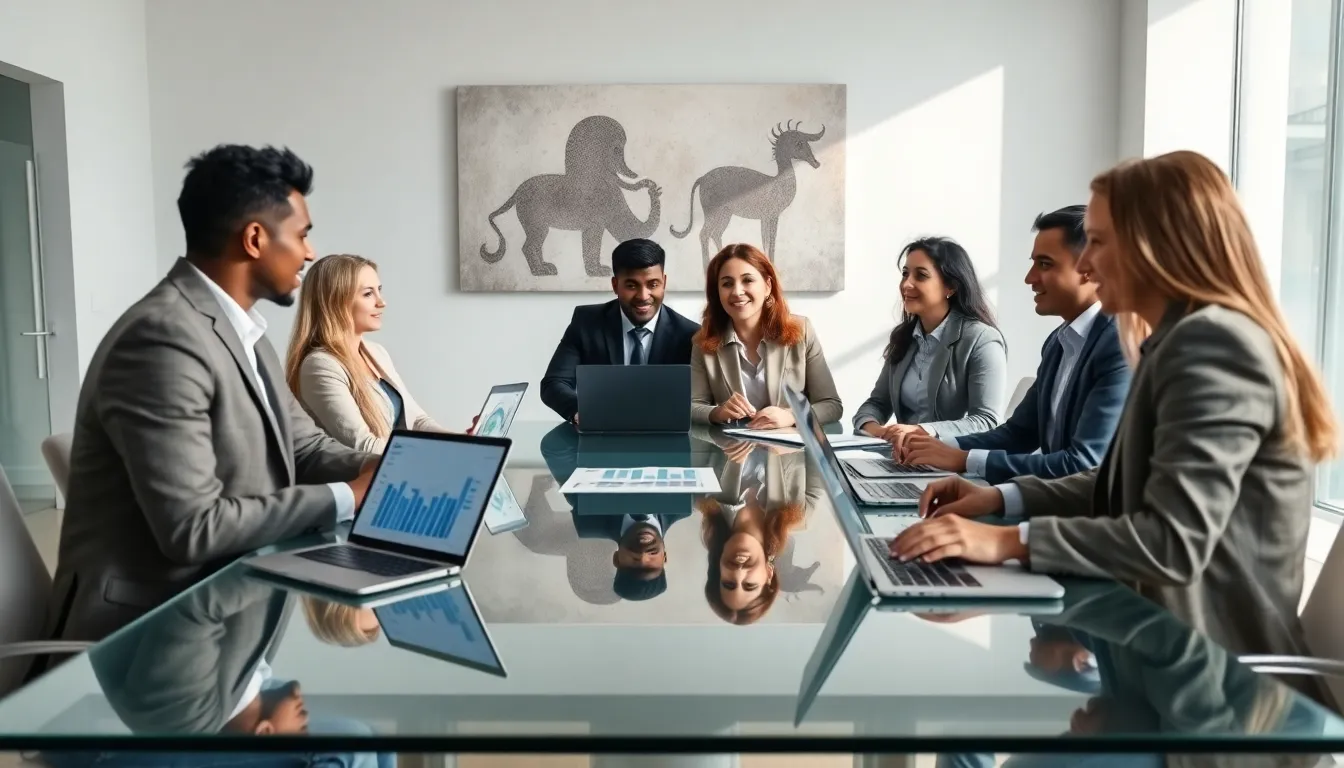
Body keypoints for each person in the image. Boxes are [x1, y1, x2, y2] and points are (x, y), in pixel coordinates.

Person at [892, 150, 1338, 661]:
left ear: (1158, 246)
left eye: (1098, 242)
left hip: (1209, 677)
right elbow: (1119, 483)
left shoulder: (1213, 348)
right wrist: (998, 501)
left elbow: (1171, 542)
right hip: (1157, 646)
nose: (1084, 263)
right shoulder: (1178, 341)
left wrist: (1007, 542)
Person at [43, 144, 377, 648]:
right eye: (303, 235)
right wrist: (348, 496)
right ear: (255, 238)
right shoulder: (161, 338)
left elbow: (305, 447)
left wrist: (394, 467)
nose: (310, 253)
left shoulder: (245, 332)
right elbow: (193, 528)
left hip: (234, 612)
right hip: (148, 639)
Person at [901, 207, 1131, 482]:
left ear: (1090, 269)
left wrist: (964, 460)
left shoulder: (1120, 346)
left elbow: (1083, 464)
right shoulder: (1058, 343)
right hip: (1054, 502)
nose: (1029, 278)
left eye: (1045, 264)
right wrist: (937, 449)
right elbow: (1019, 434)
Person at [286, 253, 458, 453]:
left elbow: (418, 421)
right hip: (359, 480)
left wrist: (468, 444)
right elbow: (364, 446)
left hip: (394, 471)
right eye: (368, 294)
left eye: (379, 291)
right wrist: (438, 456)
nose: (381, 302)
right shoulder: (320, 365)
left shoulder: (377, 353)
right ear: (336, 302)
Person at [853, 237, 1007, 452]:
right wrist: (878, 431)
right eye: (905, 273)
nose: (906, 284)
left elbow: (986, 420)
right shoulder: (904, 337)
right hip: (901, 458)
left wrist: (919, 431)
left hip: (954, 464)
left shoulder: (982, 339)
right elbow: (877, 403)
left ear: (951, 287)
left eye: (921, 275)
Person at [540, 238, 700, 424]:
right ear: (615, 285)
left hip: (667, 439)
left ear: (664, 282)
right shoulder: (586, 322)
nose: (643, 296)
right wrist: (581, 411)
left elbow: (701, 399)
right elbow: (554, 383)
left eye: (653, 284)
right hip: (600, 439)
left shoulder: (690, 335)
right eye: (631, 286)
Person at [690, 243, 842, 427]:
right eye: (727, 284)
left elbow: (831, 405)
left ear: (768, 286)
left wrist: (793, 416)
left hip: (791, 453)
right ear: (717, 292)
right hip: (733, 452)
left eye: (748, 280)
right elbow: (692, 407)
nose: (737, 292)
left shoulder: (802, 331)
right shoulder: (704, 342)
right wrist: (717, 412)